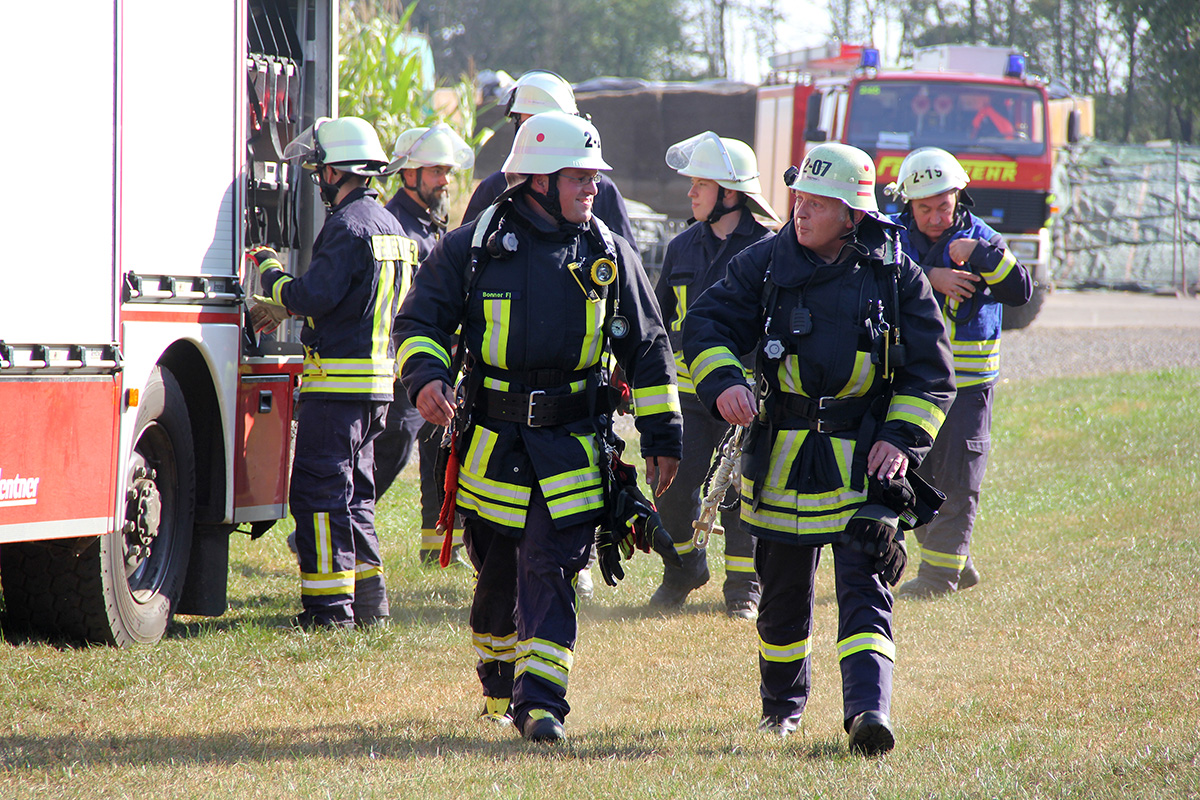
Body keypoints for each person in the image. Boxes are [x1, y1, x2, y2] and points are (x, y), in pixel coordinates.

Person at [393, 111, 682, 743]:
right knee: (497, 579)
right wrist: (427, 377)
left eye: (593, 178)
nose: (593, 189)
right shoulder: (472, 247)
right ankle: (499, 682)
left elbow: (649, 349)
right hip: (492, 446)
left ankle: (542, 704)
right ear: (538, 181)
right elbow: (418, 322)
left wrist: (663, 437)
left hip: (572, 447)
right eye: (580, 178)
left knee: (551, 566)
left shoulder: (608, 253)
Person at [683, 142, 955, 754]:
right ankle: (782, 709)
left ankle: (868, 713)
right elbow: (704, 325)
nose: (800, 212)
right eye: (798, 198)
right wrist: (724, 383)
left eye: (817, 203)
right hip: (782, 456)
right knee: (781, 595)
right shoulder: (765, 261)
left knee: (867, 583)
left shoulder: (896, 273)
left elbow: (932, 375)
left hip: (866, 459)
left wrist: (900, 440)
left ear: (853, 214)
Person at [248, 116, 418, 629]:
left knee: (319, 496)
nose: (319, 180)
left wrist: (271, 272)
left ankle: (329, 611)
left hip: (337, 391)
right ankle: (370, 606)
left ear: (338, 172)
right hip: (376, 392)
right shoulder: (392, 226)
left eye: (320, 170)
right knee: (357, 498)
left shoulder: (346, 226)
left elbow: (314, 295)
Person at [884, 147, 1032, 599]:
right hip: (913, 384)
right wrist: (931, 276)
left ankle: (938, 577)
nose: (935, 217)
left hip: (968, 388)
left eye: (943, 206)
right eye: (924, 208)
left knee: (959, 482)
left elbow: (1020, 291)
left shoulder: (984, 238)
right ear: (907, 203)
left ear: (959, 197)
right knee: (910, 477)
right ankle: (955, 560)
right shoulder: (893, 237)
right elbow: (872, 275)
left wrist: (981, 255)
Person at [649, 132, 781, 619]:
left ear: (730, 193)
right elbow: (658, 318)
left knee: (742, 493)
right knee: (671, 489)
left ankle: (743, 588)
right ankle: (683, 569)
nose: (690, 193)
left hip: (744, 399)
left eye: (700, 184)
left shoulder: (770, 250)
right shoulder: (681, 246)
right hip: (685, 396)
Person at [374, 123, 476, 566]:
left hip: (433, 364)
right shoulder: (396, 225)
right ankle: (333, 523)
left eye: (447, 172)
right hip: (401, 367)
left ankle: (436, 548)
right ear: (409, 174)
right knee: (391, 448)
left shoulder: (428, 224)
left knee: (439, 449)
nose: (445, 181)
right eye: (436, 172)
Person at [460, 69, 637, 249]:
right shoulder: (496, 188)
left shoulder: (601, 191)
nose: (590, 188)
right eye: (530, 125)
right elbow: (464, 253)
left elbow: (626, 259)